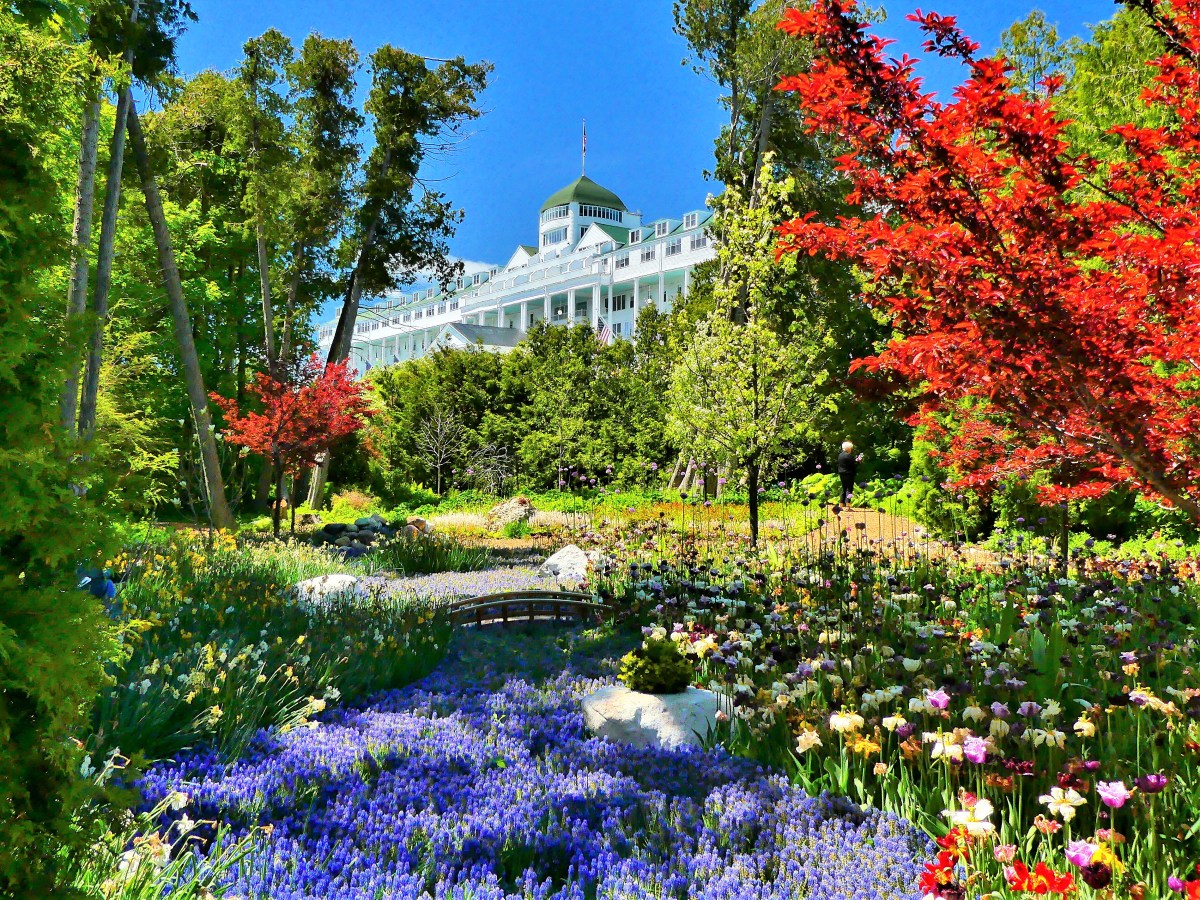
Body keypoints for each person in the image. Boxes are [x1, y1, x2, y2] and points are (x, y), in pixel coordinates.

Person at [837, 441, 861, 505]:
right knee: (849, 489)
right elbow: (853, 465)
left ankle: (841, 504)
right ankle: (848, 504)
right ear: (848, 448)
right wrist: (858, 461)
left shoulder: (840, 455)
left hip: (841, 473)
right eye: (850, 448)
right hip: (849, 474)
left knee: (843, 488)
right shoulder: (849, 456)